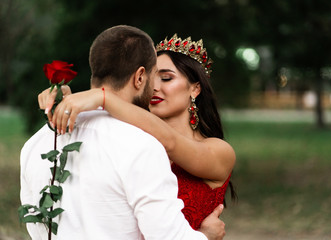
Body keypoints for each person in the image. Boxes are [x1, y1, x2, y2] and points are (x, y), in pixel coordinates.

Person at [21, 25, 225, 240]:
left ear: (196, 88)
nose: (155, 87)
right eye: (154, 76)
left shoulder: (39, 142)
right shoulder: (140, 146)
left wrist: (101, 98)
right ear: (140, 77)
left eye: (165, 78)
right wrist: (206, 236)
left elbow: (38, 224)